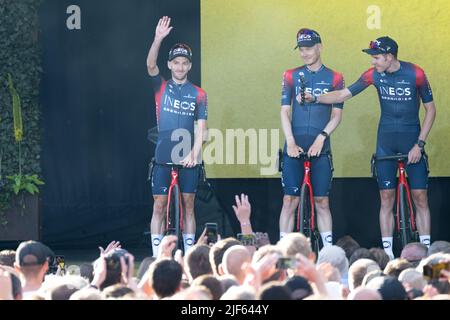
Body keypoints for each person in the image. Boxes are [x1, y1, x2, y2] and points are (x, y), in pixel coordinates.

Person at [302, 36, 436, 259]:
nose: (373, 61)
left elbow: (430, 110)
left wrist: (419, 145)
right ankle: (388, 255)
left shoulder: (416, 74)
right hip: (385, 142)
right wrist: (316, 98)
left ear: (389, 56)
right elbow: (344, 94)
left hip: (412, 140)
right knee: (386, 198)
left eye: (376, 57)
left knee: (420, 197)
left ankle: (428, 254)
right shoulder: (372, 74)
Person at [146, 16, 208, 257]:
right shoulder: (161, 86)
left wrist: (195, 154)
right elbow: (151, 65)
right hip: (163, 154)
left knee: (188, 206)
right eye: (176, 62)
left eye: (184, 63)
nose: (180, 66)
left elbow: (202, 128)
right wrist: (158, 39)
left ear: (189, 66)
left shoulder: (199, 94)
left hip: (189, 157)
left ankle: (190, 254)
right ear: (170, 65)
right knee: (159, 206)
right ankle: (156, 256)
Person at [279, 28, 345, 247]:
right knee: (289, 201)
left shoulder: (335, 77)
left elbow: (337, 115)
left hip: (320, 148)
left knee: (322, 202)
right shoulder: (290, 75)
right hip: (294, 145)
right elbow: (284, 112)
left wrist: (321, 138)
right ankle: (283, 254)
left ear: (320, 47)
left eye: (308, 48)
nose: (305, 53)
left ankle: (328, 252)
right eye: (301, 49)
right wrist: (289, 141)